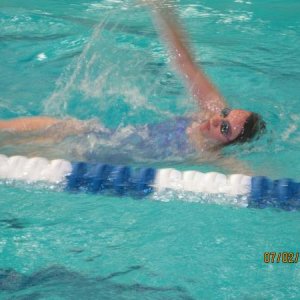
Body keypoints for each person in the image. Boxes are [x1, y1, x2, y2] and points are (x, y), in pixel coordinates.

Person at [0, 2, 265, 171]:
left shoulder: (210, 155)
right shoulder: (209, 114)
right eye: (225, 113)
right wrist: (162, 8)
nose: (218, 119)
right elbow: (187, 64)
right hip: (90, 132)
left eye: (225, 127)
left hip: (86, 157)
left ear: (228, 143)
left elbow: (247, 174)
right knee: (62, 125)